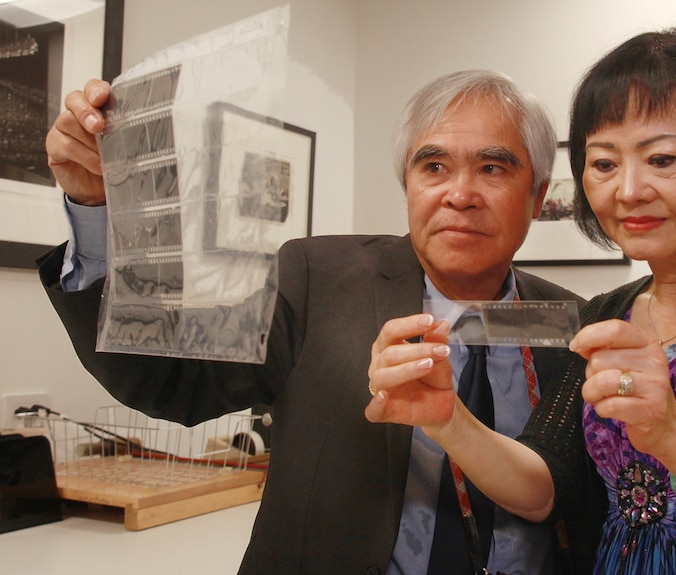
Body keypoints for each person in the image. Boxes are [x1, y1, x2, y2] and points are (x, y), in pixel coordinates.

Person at [40, 69, 585, 574]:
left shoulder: (566, 321)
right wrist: (93, 206)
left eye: (492, 168)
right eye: (434, 166)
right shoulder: (319, 278)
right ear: (409, 184)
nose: (459, 195)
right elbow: (171, 381)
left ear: (538, 196)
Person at [365, 29, 676, 575]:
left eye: (663, 159)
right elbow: (545, 487)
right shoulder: (605, 313)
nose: (628, 190)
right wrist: (448, 422)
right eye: (603, 164)